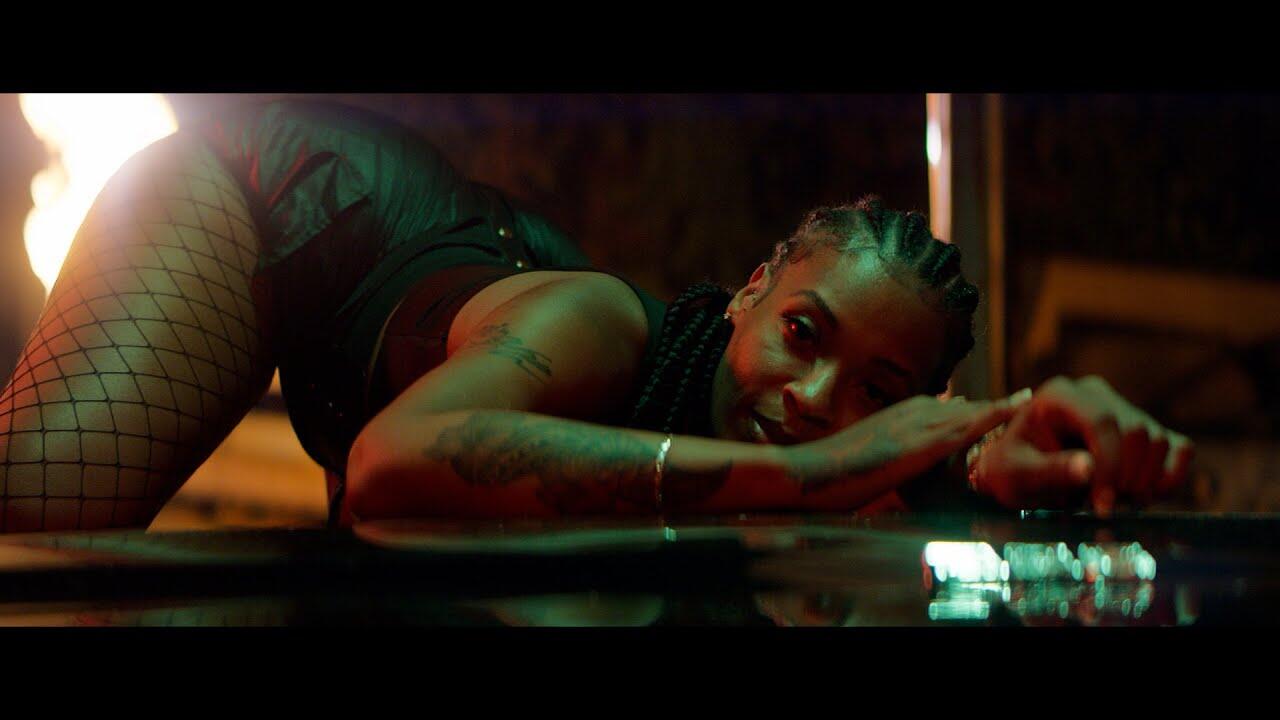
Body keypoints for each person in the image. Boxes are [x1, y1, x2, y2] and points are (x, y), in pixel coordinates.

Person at [0, 99, 1192, 532]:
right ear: (748, 293)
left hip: (394, 298)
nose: (816, 401)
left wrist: (1023, 452)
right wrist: (808, 477)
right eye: (803, 334)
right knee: (48, 506)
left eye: (876, 393)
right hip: (276, 197)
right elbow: (391, 461)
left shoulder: (842, 452)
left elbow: (957, 461)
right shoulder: (600, 325)